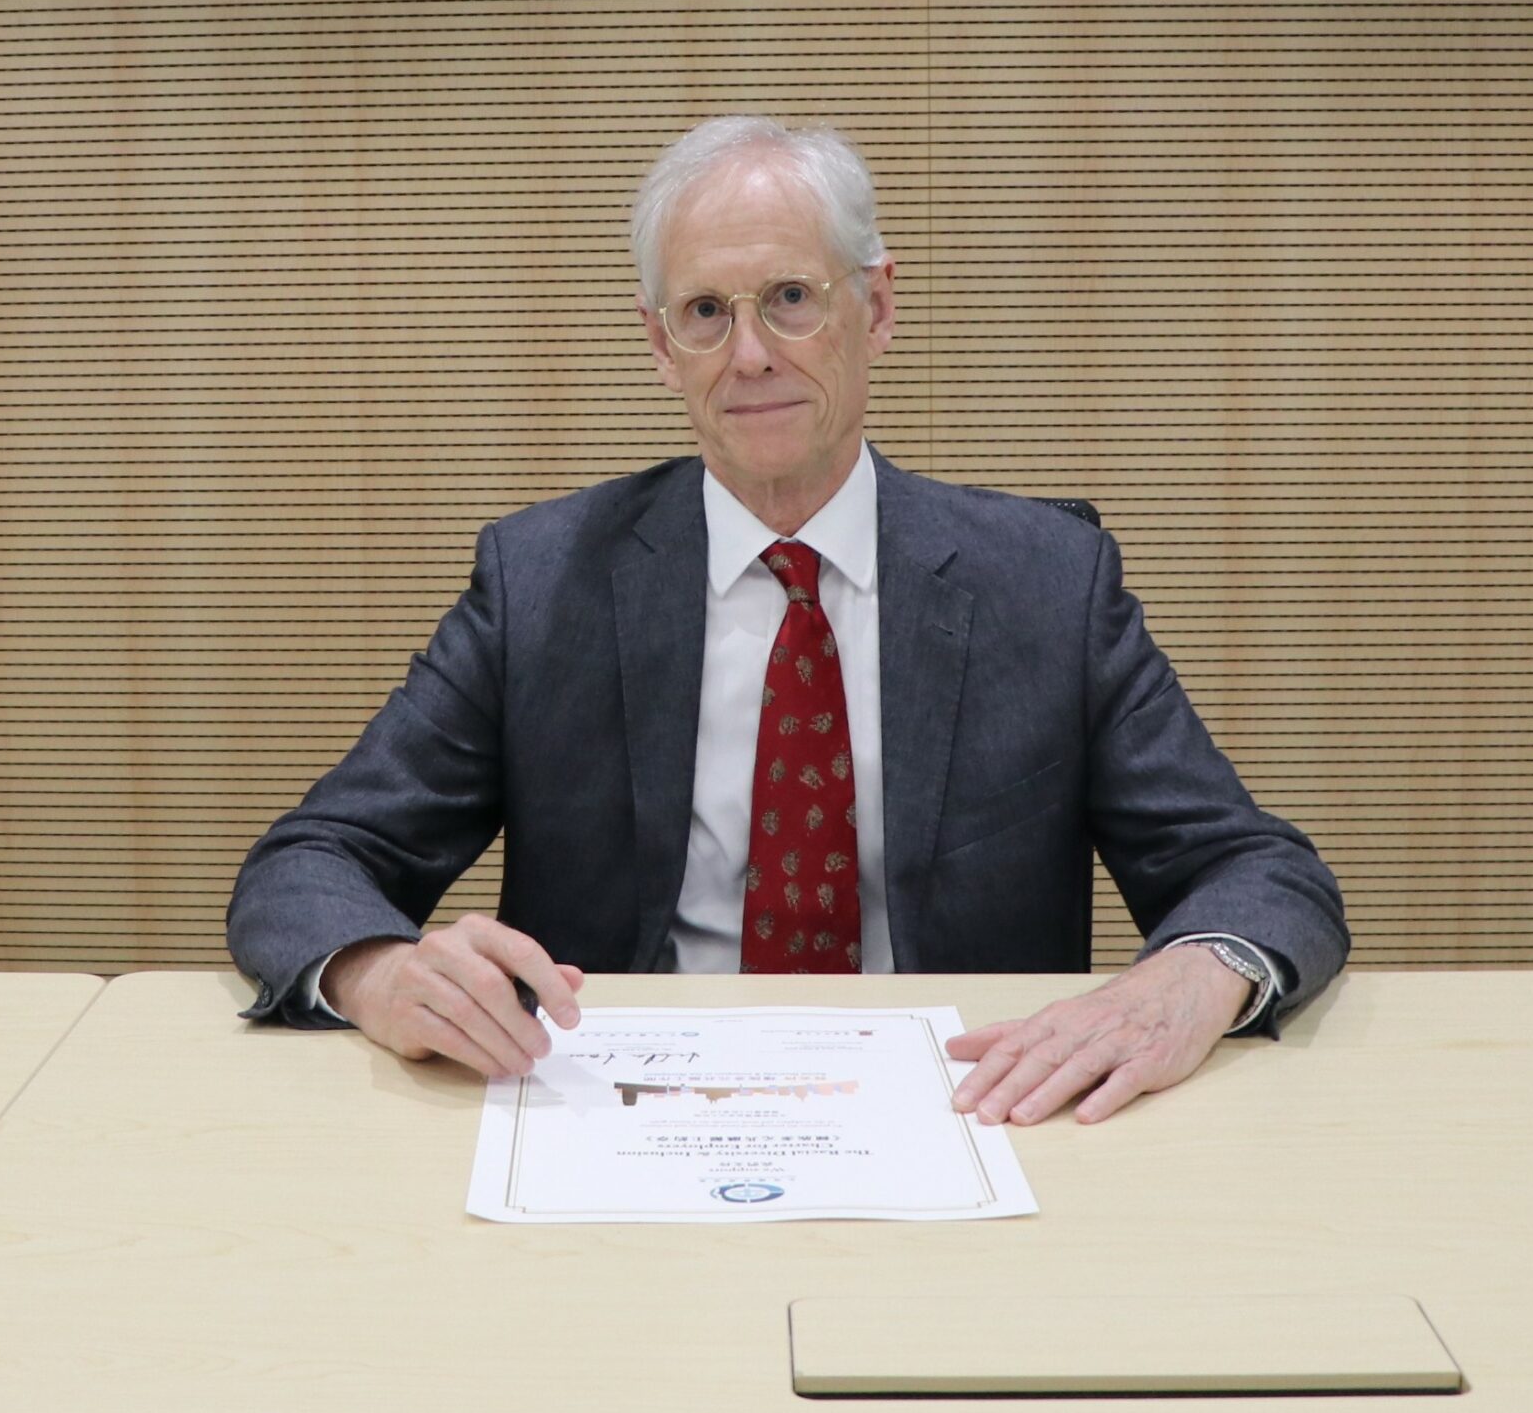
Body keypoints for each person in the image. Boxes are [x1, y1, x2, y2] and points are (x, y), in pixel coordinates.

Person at [228, 116, 1347, 1125]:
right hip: (621, 1111)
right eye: (706, 313)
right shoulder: (544, 582)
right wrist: (380, 972)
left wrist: (1190, 978)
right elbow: (309, 862)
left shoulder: (1046, 584)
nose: (751, 353)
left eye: (791, 299)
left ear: (880, 305)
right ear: (660, 347)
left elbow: (1260, 871)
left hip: (963, 1107)